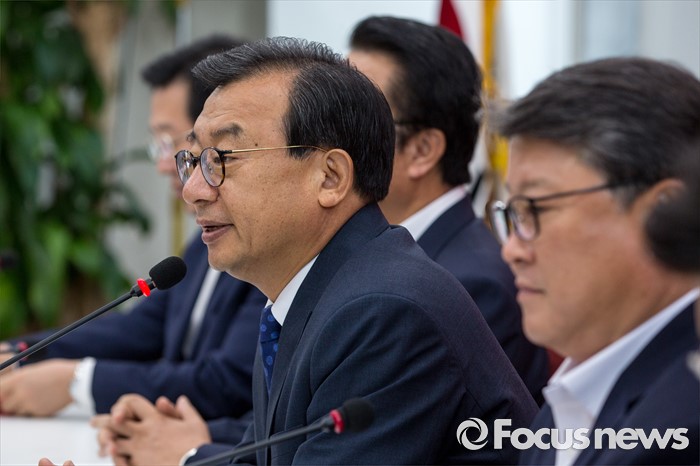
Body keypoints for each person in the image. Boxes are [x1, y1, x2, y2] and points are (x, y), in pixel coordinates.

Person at [73, 36, 538, 466]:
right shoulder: (310, 289)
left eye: (223, 159)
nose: (194, 189)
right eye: (193, 159)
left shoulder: (384, 312)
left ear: (330, 178)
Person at [0, 35, 265, 447]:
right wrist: (25, 350)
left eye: (173, 143)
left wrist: (76, 382)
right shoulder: (202, 243)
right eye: (162, 146)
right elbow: (142, 329)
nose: (165, 165)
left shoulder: (264, 247)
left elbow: (226, 382)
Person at [487, 56, 700, 465]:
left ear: (663, 213)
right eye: (512, 214)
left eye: (535, 209)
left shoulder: (684, 423)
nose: (511, 249)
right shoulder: (573, 390)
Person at [348, 16, 549, 402]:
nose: (328, 137)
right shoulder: (367, 250)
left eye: (355, 119)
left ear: (422, 150)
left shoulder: (472, 285)